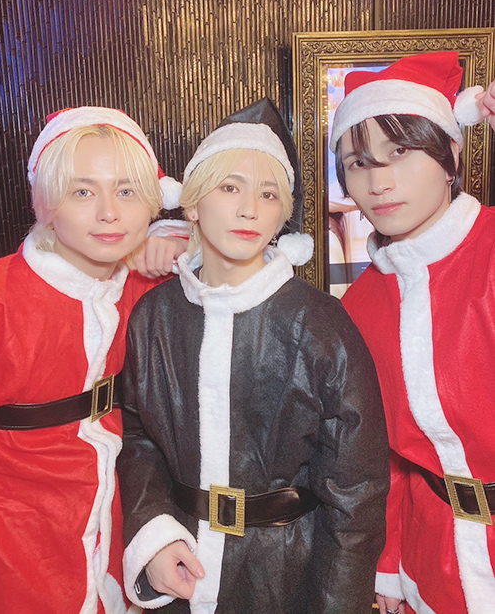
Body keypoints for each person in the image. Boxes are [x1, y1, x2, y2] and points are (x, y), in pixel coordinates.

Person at [117, 97, 389, 614]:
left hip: (287, 577)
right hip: (182, 564)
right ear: (192, 205)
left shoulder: (321, 323)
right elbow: (139, 437)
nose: (250, 209)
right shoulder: (154, 317)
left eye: (269, 194)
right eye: (230, 187)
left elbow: (356, 491)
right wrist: (152, 532)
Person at [0, 106, 188, 614]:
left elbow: (245, 259)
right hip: (17, 534)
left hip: (119, 514)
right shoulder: (1, 297)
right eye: (83, 192)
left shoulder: (147, 287)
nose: (109, 213)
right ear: (46, 203)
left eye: (127, 192)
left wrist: (180, 243)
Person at [330, 51, 495, 614]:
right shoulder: (359, 304)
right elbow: (387, 458)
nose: (379, 182)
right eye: (358, 162)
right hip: (434, 566)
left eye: (400, 150)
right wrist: (388, 568)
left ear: (450, 153)